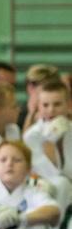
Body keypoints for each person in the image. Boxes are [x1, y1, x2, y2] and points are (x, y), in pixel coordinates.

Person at [22, 78, 72, 206]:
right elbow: (39, 173)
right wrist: (50, 141)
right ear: (39, 106)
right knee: (61, 183)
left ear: (68, 105)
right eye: (45, 105)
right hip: (42, 190)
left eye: (57, 104)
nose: (51, 110)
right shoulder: (32, 136)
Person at [22, 64, 63, 130]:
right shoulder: (19, 111)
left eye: (36, 84)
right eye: (30, 84)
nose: (31, 89)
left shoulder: (62, 109)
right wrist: (31, 114)